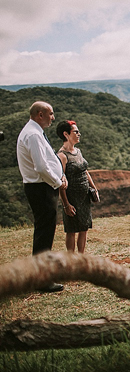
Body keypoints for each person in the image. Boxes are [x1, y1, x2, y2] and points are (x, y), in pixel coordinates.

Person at [16, 101, 68, 293]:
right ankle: (41, 279)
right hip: (41, 188)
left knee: (44, 231)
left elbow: (47, 160)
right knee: (44, 233)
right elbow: (40, 167)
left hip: (42, 186)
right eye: (51, 114)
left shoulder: (34, 132)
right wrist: (58, 182)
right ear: (40, 114)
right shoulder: (33, 135)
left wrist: (60, 176)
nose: (53, 117)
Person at [56, 120, 98, 254]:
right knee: (71, 230)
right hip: (72, 197)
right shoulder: (62, 156)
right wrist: (66, 204)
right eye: (76, 132)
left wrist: (93, 187)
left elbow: (85, 171)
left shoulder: (78, 151)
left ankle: (81, 256)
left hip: (84, 196)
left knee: (84, 228)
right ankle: (71, 259)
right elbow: (60, 183)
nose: (79, 134)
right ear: (66, 134)